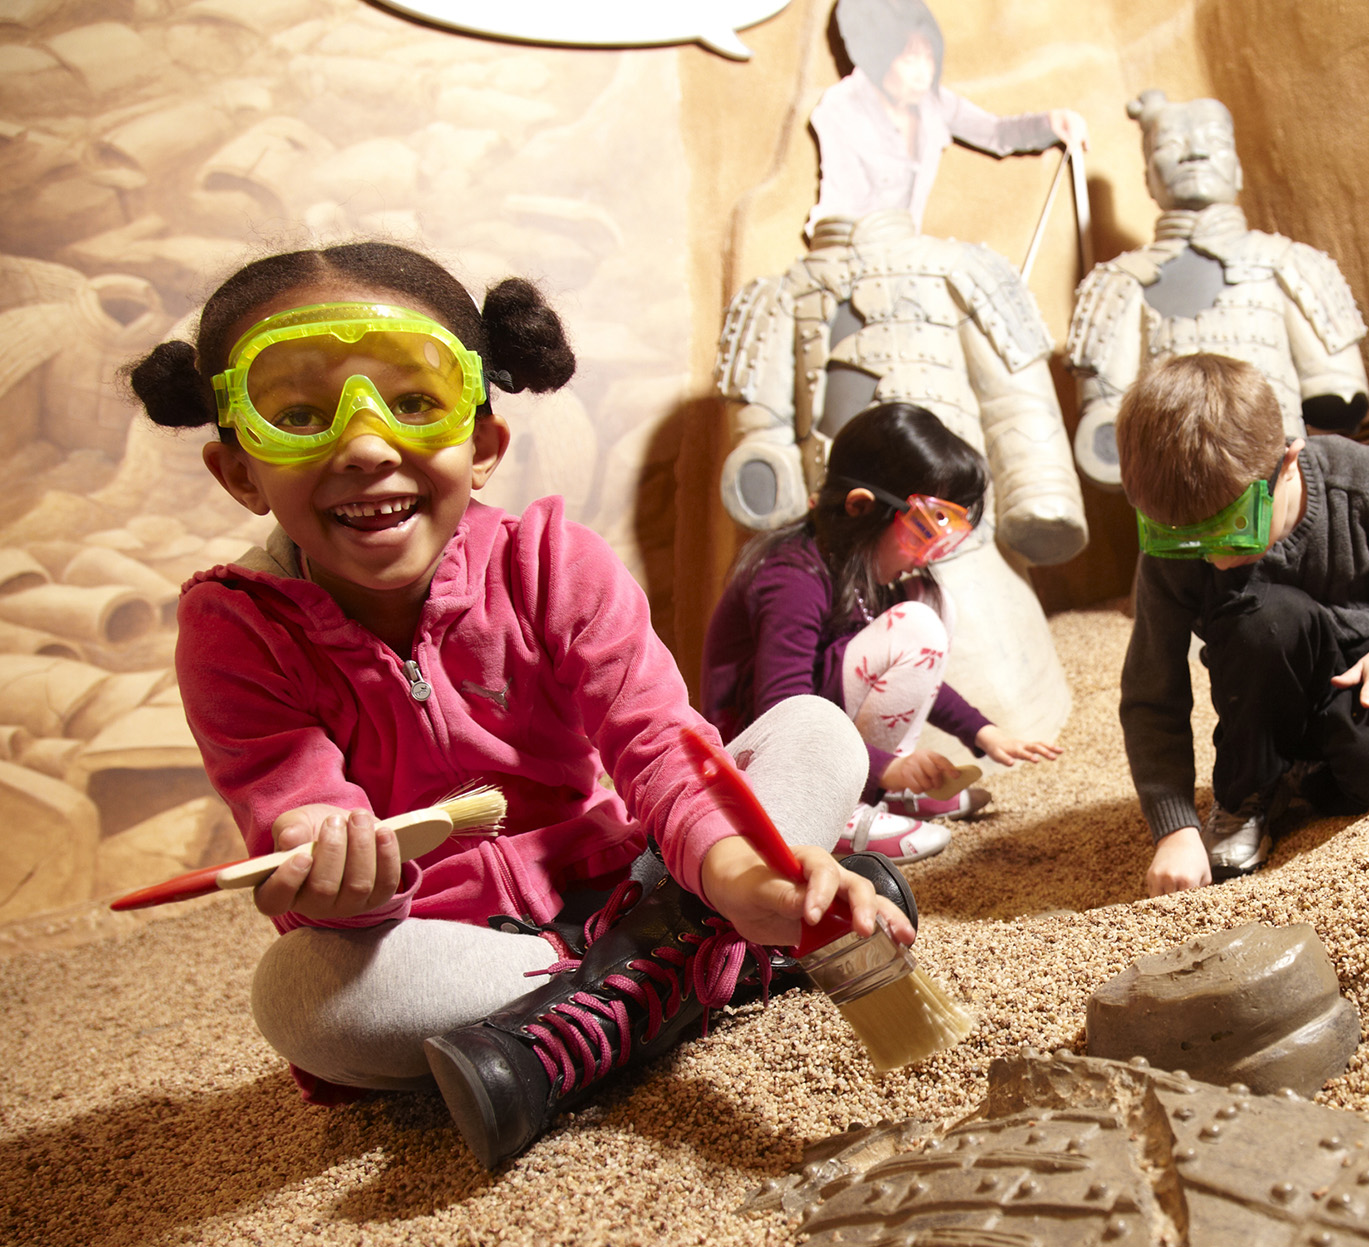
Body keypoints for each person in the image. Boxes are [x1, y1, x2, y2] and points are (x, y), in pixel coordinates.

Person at [124, 241, 918, 1170]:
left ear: (484, 447)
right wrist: (333, 869)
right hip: (464, 945)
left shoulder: (555, 561)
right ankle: (691, 963)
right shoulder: (234, 627)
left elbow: (662, 746)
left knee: (816, 729)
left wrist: (744, 874)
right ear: (241, 473)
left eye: (414, 404)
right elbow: (291, 805)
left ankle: (614, 1000)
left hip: (635, 869)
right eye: (298, 416)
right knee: (300, 998)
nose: (366, 445)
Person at [1116, 354, 1369, 897]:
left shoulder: (1362, 477)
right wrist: (1176, 825)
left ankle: (1302, 771)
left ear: (1288, 463)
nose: (1212, 558)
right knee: (1268, 618)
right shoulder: (1172, 552)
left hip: (1367, 667)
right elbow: (1152, 692)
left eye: (1231, 530)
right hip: (1264, 684)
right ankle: (1252, 788)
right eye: (1187, 540)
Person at [702, 402, 1061, 865]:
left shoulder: (854, 568)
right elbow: (782, 713)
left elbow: (897, 667)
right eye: (923, 529)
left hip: (815, 732)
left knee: (929, 605)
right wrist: (888, 767)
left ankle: (869, 792)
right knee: (917, 624)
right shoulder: (791, 577)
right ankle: (837, 811)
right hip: (763, 767)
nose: (930, 551)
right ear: (860, 507)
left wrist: (982, 730)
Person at [1065, 90, 1369, 490]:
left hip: (1287, 490)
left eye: (1215, 141)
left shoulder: (1291, 263)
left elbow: (1338, 393)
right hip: (1176, 503)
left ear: (1238, 169)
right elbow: (1103, 436)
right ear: (1148, 179)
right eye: (1170, 145)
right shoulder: (1116, 284)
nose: (1195, 155)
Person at [808, 0, 1088, 235]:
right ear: (874, 57)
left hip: (907, 262)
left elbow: (995, 133)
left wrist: (1050, 122)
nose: (924, 73)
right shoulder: (840, 109)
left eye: (928, 57)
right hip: (848, 263)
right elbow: (840, 211)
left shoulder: (934, 103)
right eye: (909, 60)